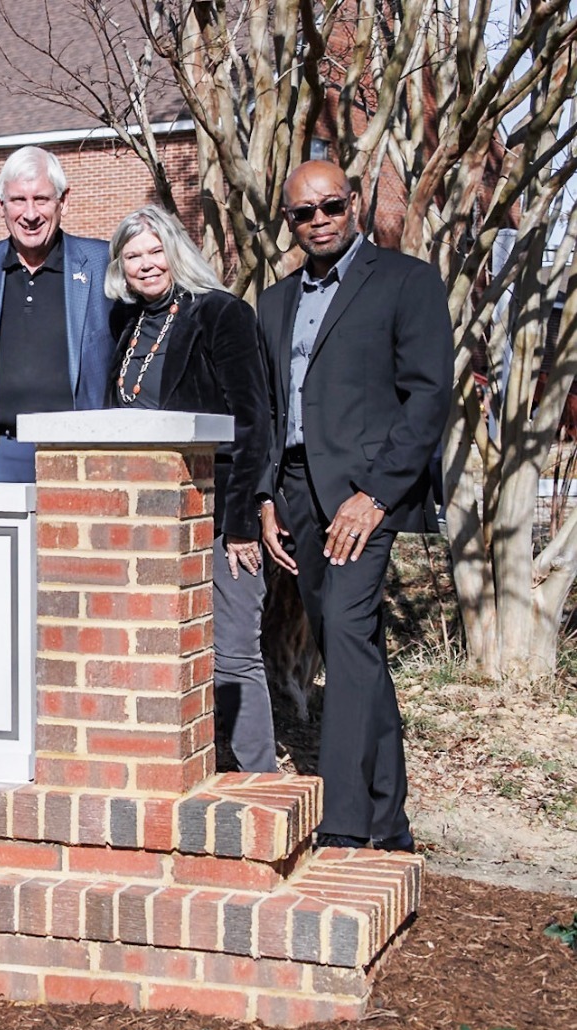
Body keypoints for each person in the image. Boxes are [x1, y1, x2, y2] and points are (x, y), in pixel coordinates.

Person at [257, 160, 452, 851]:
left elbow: (429, 396)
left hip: (363, 494)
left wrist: (378, 496)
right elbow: (270, 409)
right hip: (296, 495)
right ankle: (388, 820)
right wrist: (265, 498)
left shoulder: (406, 282)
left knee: (343, 635)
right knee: (355, 645)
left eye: (330, 207)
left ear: (356, 203)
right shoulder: (275, 303)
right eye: (302, 213)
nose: (318, 221)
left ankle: (342, 825)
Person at [106, 206, 274, 772]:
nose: (146, 265)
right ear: (120, 268)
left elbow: (253, 421)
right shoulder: (126, 325)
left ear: (175, 250)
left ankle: (258, 777)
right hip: (152, 515)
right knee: (159, 645)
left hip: (220, 511)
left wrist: (243, 522)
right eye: (133, 256)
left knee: (233, 652)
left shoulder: (220, 313)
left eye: (155, 251)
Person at [0, 146, 115, 481]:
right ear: (1, 202)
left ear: (63, 200)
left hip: (85, 457)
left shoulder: (103, 263)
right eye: (18, 200)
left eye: (42, 199)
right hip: (0, 455)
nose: (30, 214)